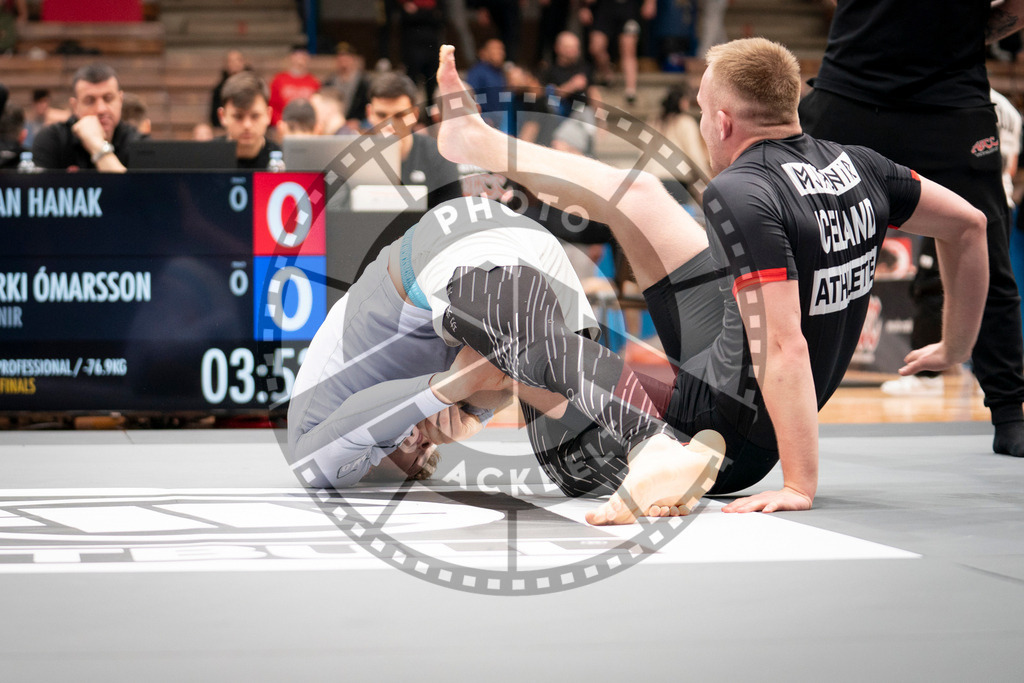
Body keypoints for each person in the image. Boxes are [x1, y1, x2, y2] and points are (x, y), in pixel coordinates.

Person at [431, 40, 989, 523]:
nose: (701, 124)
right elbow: (970, 225)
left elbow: (782, 343)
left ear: (722, 122)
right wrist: (957, 346)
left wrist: (799, 485)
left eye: (701, 111)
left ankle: (453, 411)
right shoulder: (861, 165)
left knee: (532, 342)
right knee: (642, 194)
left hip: (720, 444)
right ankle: (479, 144)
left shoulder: (742, 190)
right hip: (728, 385)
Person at [287, 192, 721, 500]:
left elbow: (353, 435)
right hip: (512, 279)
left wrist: (446, 388)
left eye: (410, 451)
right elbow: (494, 368)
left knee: (532, 351)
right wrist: (477, 407)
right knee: (575, 468)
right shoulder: (412, 419)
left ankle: (652, 440)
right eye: (427, 451)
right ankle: (702, 434)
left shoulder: (311, 438)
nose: (420, 440)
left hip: (456, 247)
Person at [799, 0, 1024, 457]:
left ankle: (1010, 412)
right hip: (853, 94)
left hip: (948, 101)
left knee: (987, 254)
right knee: (799, 254)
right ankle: (752, 408)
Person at [364, 71, 461, 207]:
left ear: (414, 115)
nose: (390, 125)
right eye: (381, 115)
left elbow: (453, 214)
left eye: (399, 116)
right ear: (369, 113)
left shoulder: (438, 155)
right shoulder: (353, 160)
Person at [31, 63, 140, 172]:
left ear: (120, 101)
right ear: (75, 106)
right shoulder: (52, 139)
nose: (101, 109)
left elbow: (133, 189)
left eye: (108, 99)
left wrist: (97, 146)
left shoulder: (138, 143)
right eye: (90, 101)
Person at [579, 0, 656, 105]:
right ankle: (607, 72)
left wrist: (650, 2)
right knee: (596, 47)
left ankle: (631, 91)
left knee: (628, 50)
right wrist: (584, 6)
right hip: (605, 8)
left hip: (628, 8)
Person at [216, 71, 280, 170]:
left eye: (255, 116)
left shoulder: (286, 161)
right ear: (222, 116)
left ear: (268, 115)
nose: (247, 125)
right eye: (238, 116)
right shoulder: (203, 160)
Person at [321, 42, 371, 129]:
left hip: (358, 123)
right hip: (335, 123)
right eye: (340, 59)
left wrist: (358, 120)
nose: (344, 62)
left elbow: (368, 104)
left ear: (352, 59)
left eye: (347, 58)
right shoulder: (329, 82)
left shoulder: (364, 82)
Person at [269, 45, 321, 127]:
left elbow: (318, 107)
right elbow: (272, 105)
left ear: (308, 58)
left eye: (303, 56)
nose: (300, 60)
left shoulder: (314, 82)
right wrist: (280, 123)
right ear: (291, 57)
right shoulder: (279, 80)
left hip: (307, 127)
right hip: (283, 125)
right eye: (297, 56)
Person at [464, 38, 507, 129]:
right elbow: (468, 97)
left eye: (502, 49)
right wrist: (482, 119)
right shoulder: (477, 73)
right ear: (483, 53)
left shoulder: (499, 72)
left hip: (498, 124)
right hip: (483, 123)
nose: (500, 53)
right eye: (495, 49)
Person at [209, 49, 251, 129]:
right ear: (226, 65)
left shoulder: (255, 87)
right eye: (231, 61)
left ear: (244, 62)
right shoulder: (219, 90)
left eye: (238, 60)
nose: (235, 64)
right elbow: (215, 118)